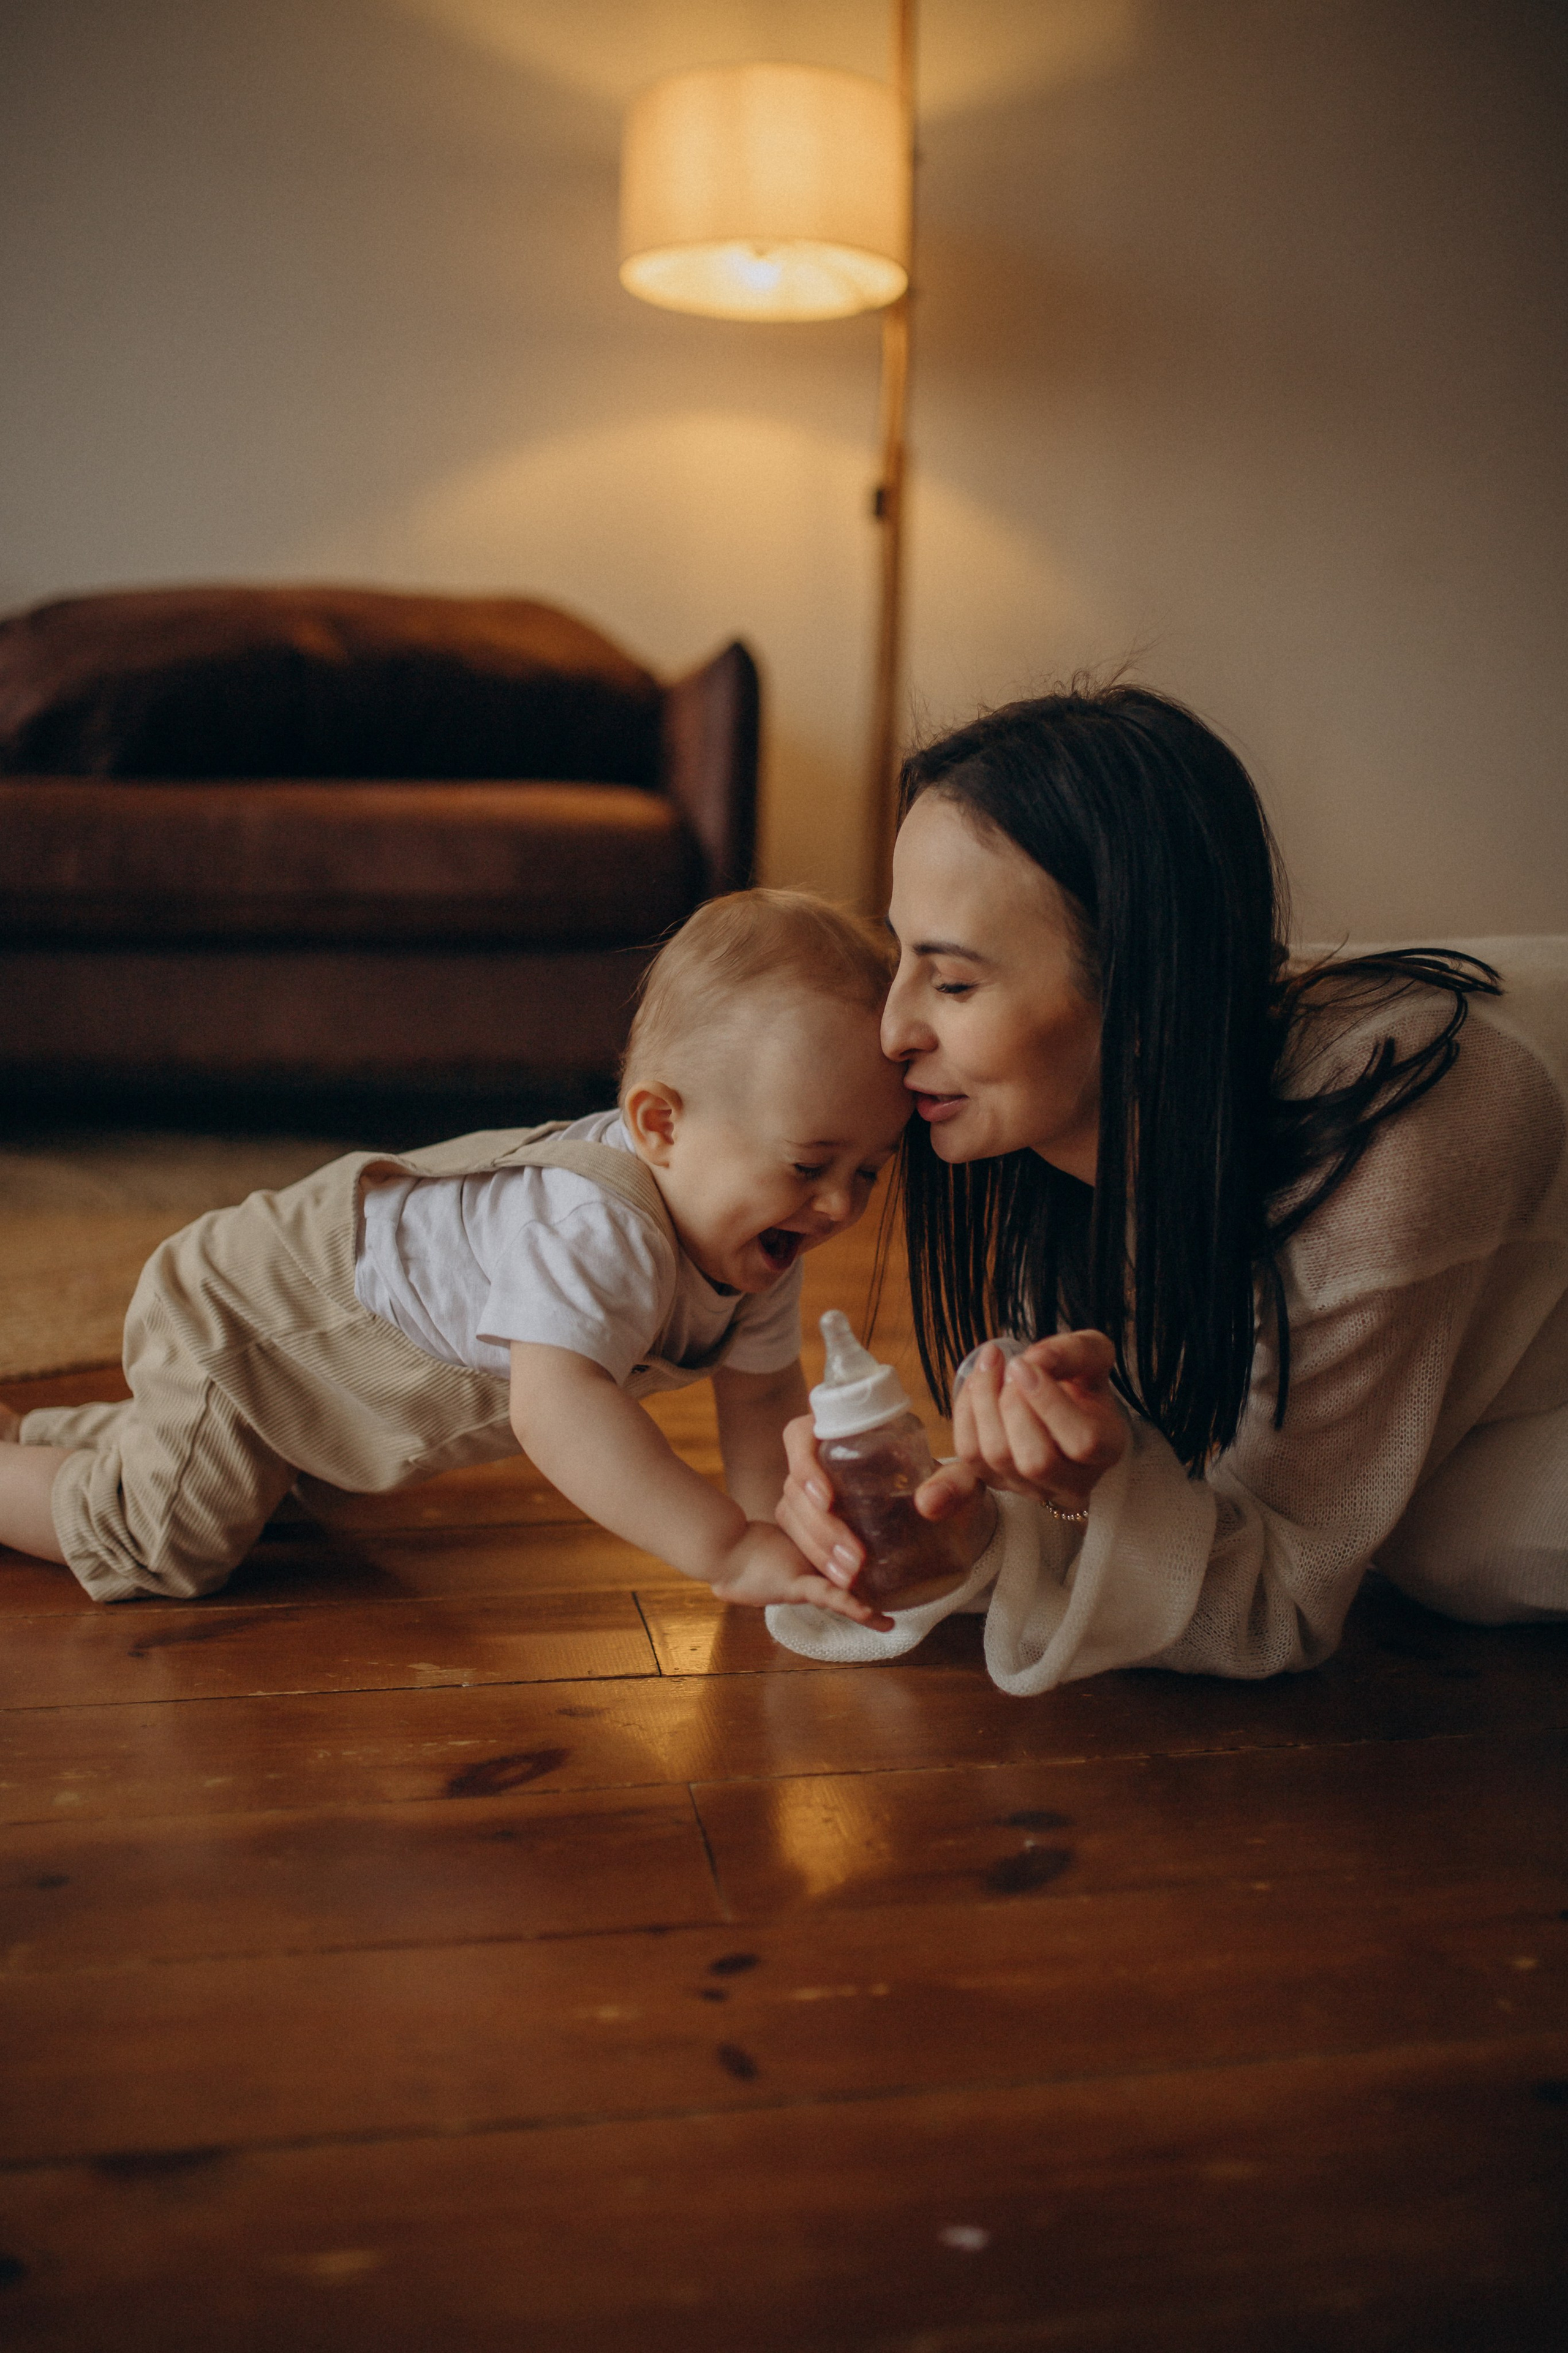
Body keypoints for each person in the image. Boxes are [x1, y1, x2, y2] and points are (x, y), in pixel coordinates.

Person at [772, 686, 1568, 1691]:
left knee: (1457, 1544)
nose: (893, 1032)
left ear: (1144, 981)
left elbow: (1280, 1598)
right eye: (901, 961)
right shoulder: (1070, 1141)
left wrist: (1100, 1493)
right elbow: (1179, 1482)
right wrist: (949, 1525)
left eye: (957, 983)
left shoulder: (1398, 1141)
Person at [0, 890, 907, 1626]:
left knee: (245, 1481)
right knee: (166, 1542)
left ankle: (35, 1441)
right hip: (251, 1319)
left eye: (868, 1170)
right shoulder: (601, 1223)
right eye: (808, 1165)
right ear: (659, 1124)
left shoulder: (757, 1241)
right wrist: (727, 1547)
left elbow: (761, 1396)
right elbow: (559, 1409)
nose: (841, 1205)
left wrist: (780, 1541)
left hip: (322, 1387)